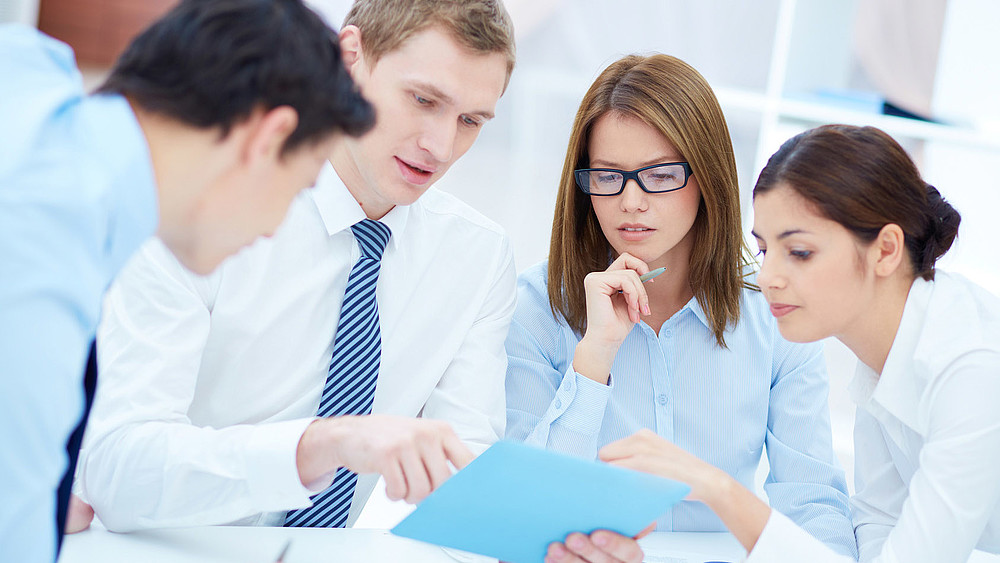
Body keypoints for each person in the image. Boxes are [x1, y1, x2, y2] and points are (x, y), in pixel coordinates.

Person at [76, 0, 517, 532]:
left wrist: (545, 535)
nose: (441, 147)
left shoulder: (478, 255)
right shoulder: (201, 208)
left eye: (471, 121)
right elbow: (117, 467)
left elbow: (461, 473)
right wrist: (315, 447)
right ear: (350, 59)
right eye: (423, 99)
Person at [0, 0, 373, 560]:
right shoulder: (47, 256)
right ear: (268, 138)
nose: (274, 229)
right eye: (299, 189)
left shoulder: (29, 73)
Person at [504, 54, 856, 562]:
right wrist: (595, 356)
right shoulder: (539, 304)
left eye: (660, 175)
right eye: (607, 176)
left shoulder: (772, 310)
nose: (630, 201)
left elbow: (816, 509)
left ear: (706, 177)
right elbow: (520, 514)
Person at [594, 124, 1000, 563]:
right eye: (765, 252)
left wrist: (716, 489)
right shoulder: (882, 354)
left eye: (800, 252)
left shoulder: (969, 366)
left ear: (885, 250)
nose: (767, 279)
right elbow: (881, 523)